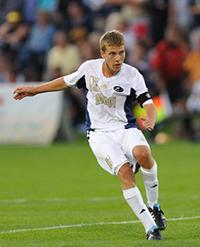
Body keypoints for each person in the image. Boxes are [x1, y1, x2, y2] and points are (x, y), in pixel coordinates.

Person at [13, 30, 166, 240]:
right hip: (99, 134)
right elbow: (65, 82)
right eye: (112, 53)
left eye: (121, 52)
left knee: (143, 154)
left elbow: (148, 104)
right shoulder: (89, 69)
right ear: (102, 53)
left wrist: (151, 119)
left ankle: (154, 206)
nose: (118, 58)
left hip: (125, 128)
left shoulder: (132, 75)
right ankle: (150, 228)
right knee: (125, 172)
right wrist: (35, 90)